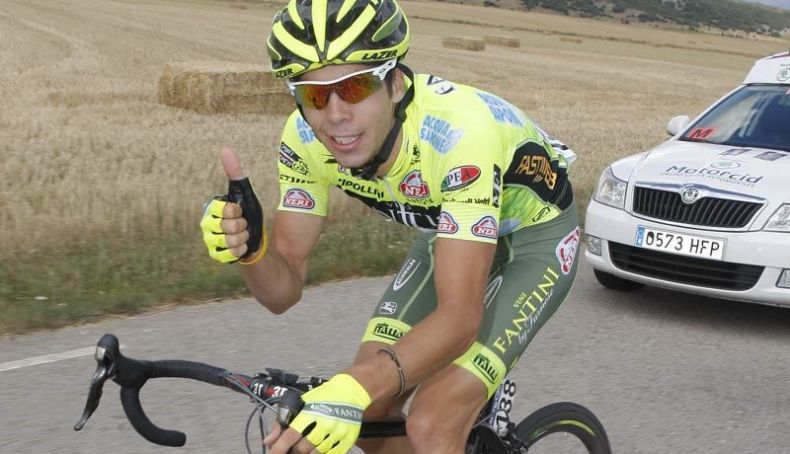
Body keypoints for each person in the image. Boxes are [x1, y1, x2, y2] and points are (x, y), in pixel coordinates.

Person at [200, 0, 581, 452]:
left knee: (431, 423)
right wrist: (253, 251)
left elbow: (460, 317)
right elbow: (282, 294)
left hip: (535, 239)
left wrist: (352, 387)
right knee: (369, 411)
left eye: (355, 87)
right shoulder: (303, 140)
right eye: (315, 95)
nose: (335, 115)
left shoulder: (458, 135)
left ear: (395, 85)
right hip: (452, 229)